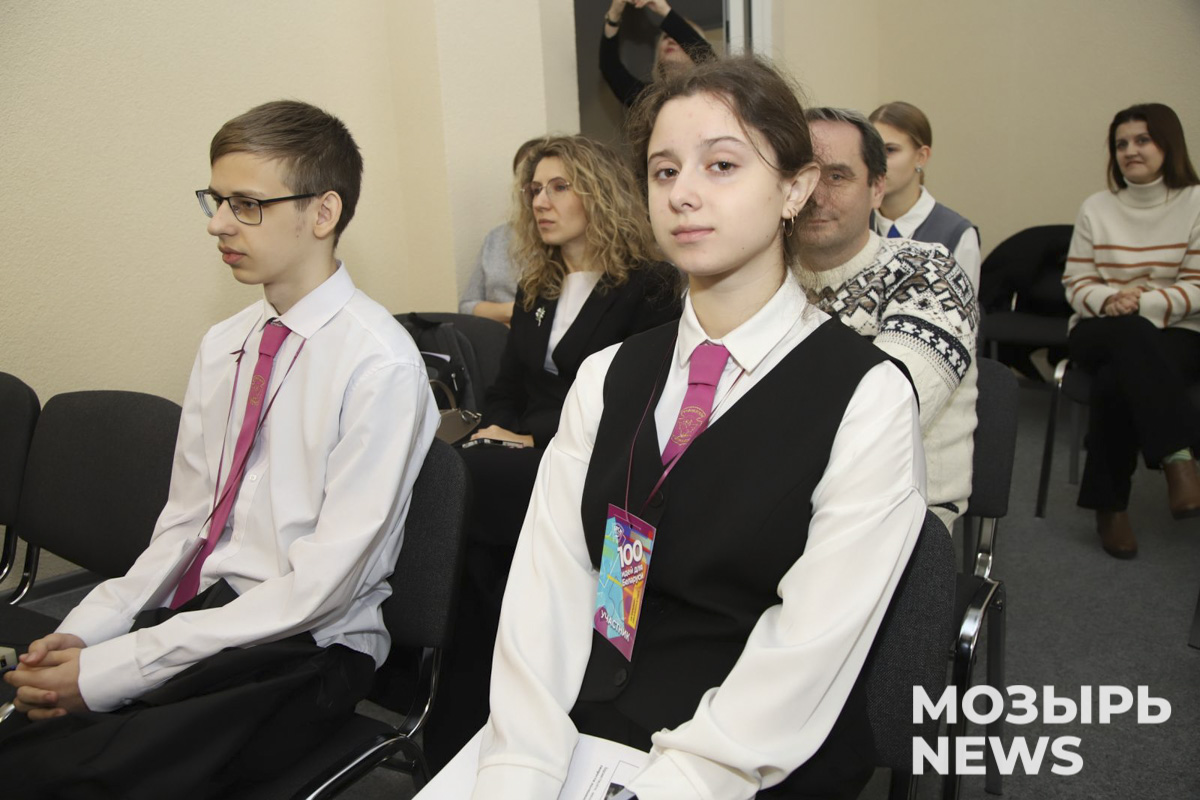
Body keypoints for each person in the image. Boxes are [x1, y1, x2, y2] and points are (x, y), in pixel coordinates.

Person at [472, 56, 925, 799]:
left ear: (795, 188)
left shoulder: (867, 395)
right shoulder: (608, 374)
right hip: (586, 721)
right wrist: (522, 760)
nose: (682, 193)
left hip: (747, 752)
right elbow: (551, 580)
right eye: (664, 171)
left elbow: (808, 644)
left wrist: (678, 782)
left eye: (721, 165)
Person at [0, 100, 438, 797]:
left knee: (81, 770)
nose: (218, 224)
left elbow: (320, 589)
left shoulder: (379, 364)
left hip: (308, 645)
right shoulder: (225, 343)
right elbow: (185, 525)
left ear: (322, 213)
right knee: (34, 732)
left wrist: (124, 664)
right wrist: (92, 629)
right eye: (216, 200)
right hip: (207, 614)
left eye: (247, 204)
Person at [425, 134, 680, 771]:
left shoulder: (649, 287)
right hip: (522, 456)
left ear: (601, 193)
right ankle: (473, 713)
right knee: (461, 490)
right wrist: (497, 430)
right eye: (535, 189)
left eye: (560, 187)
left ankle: (480, 715)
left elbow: (637, 402)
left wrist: (531, 439)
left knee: (462, 486)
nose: (540, 201)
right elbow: (507, 389)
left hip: (602, 462)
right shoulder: (539, 286)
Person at [795, 107, 979, 530]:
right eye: (803, 176)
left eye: (837, 176)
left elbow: (879, 420)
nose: (816, 195)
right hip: (774, 500)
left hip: (896, 514)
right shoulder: (763, 276)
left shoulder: (930, 273)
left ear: (877, 188)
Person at [1060, 102, 1200, 559]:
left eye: (1143, 140)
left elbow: (1199, 285)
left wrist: (1142, 302)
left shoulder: (1196, 202)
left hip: (1178, 329)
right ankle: (1178, 457)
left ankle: (1109, 506)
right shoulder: (1096, 207)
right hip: (1100, 327)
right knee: (1130, 338)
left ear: (1168, 144)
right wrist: (1108, 300)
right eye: (1121, 144)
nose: (1130, 151)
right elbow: (1076, 282)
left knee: (1117, 377)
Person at [868, 101, 982, 290]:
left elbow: (963, 308)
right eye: (872, 151)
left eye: (890, 150)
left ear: (921, 157)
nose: (877, 162)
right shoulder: (855, 223)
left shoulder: (956, 235)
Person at [458, 137, 545, 325]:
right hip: (494, 336)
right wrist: (514, 311)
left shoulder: (563, 239)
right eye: (524, 176)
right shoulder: (496, 238)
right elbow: (466, 306)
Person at [601, 0, 714, 108]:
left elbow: (707, 57)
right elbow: (610, 67)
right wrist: (614, 13)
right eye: (666, 37)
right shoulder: (650, 99)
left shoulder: (712, 91)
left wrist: (664, 10)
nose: (671, 40)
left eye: (678, 38)